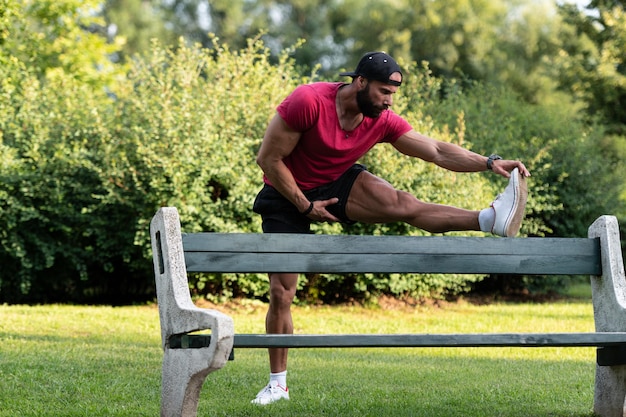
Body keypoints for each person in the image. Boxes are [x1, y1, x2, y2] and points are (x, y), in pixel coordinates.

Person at [251, 51, 530, 405]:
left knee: (403, 204)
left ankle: (488, 219)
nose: (388, 101)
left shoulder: (381, 119)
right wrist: (305, 205)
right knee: (282, 292)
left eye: (393, 95)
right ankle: (278, 384)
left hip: (336, 184)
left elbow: (437, 151)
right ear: (360, 82)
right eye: (384, 91)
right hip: (286, 193)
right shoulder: (308, 101)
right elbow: (268, 159)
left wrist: (489, 164)